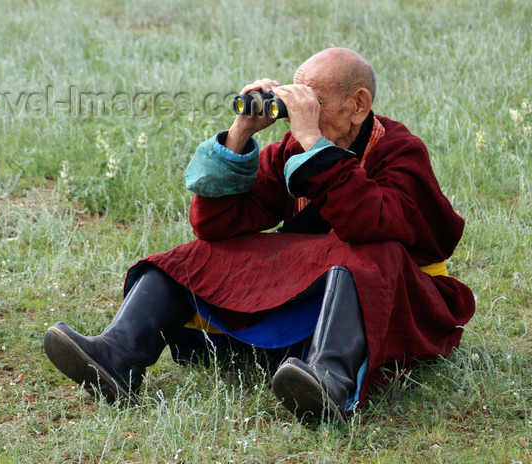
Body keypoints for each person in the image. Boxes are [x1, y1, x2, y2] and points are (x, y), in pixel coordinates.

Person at [43, 48, 476, 424]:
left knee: (371, 254)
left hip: (393, 297)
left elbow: (370, 224)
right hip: (313, 292)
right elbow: (217, 226)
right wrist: (240, 135)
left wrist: (311, 139)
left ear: (358, 104)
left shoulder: (399, 150)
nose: (298, 112)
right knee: (195, 255)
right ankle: (117, 356)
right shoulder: (292, 150)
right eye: (296, 98)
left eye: (313, 101)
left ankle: (329, 378)